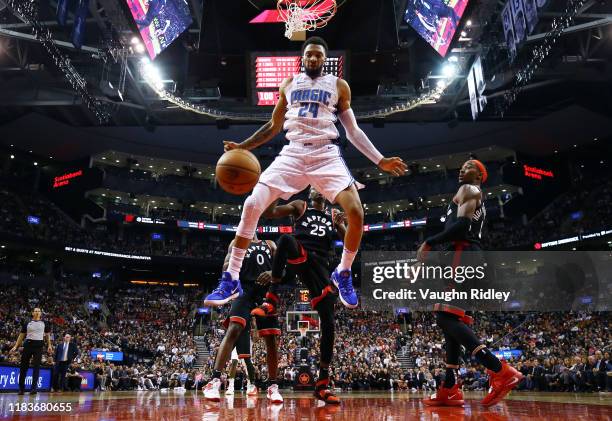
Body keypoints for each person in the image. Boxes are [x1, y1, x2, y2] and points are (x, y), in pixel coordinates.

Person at [204, 36, 406, 309]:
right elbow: (273, 126)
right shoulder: (289, 84)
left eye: (318, 55)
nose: (313, 59)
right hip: (293, 152)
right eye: (309, 54)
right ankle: (231, 277)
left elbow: (353, 131)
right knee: (252, 204)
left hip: (326, 154)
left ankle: (343, 271)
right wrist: (242, 146)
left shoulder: (338, 86)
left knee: (356, 213)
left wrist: (380, 160)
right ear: (303, 58)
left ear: (325, 59)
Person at [416, 159, 524, 407]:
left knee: (444, 317)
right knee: (452, 321)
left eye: (469, 166)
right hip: (465, 255)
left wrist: (429, 241)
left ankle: (499, 370)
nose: (462, 169)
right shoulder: (468, 193)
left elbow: (462, 226)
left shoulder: (470, 190)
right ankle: (450, 387)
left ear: (480, 175)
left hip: (462, 255)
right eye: (461, 167)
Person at [254, 186, 347, 404]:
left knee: (329, 323)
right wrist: (276, 192)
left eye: (323, 187)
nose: (320, 190)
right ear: (310, 192)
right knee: (285, 239)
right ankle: (271, 300)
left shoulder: (332, 214)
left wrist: (342, 224)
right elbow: (270, 213)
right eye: (315, 187)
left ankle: (322, 385)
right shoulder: (299, 206)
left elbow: (350, 239)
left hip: (321, 269)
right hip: (302, 256)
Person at [203, 234, 283, 404]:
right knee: (234, 328)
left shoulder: (269, 244)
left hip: (265, 293)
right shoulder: (236, 242)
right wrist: (232, 262)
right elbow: (225, 268)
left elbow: (282, 269)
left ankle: (273, 386)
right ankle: (215, 381)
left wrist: (272, 272)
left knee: (271, 339)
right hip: (243, 290)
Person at [9, 307, 52, 395]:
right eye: (35, 311)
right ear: (32, 313)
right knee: (23, 367)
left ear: (41, 313)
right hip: (28, 345)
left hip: (39, 346)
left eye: (38, 311)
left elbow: (47, 336)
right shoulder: (27, 322)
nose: (37, 312)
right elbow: (21, 335)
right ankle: (21, 389)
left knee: (36, 368)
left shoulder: (45, 323)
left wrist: (49, 345)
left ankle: (33, 389)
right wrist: (16, 346)